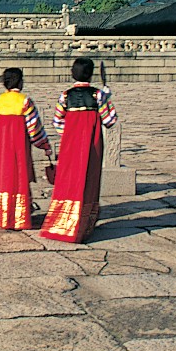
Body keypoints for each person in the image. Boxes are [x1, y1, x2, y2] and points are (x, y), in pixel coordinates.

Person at [41, 57, 118, 243]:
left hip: (70, 145)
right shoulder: (97, 95)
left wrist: (68, 134)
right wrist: (108, 97)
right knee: (89, 179)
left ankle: (61, 221)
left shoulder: (65, 96)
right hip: (92, 144)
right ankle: (83, 224)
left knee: (67, 179)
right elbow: (110, 121)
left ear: (72, 73)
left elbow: (57, 121)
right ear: (91, 75)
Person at [0, 67, 54, 230]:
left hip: (2, 147)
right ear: (20, 82)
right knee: (19, 176)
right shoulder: (25, 101)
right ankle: (19, 215)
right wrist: (44, 144)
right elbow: (34, 128)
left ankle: (0, 214)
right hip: (19, 146)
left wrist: (0, 137)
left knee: (3, 176)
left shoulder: (0, 100)